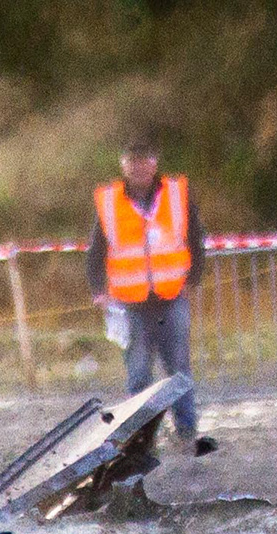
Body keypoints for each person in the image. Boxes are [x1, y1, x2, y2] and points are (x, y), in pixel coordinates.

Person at [87, 143, 214, 453]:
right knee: (139, 375)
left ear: (155, 163)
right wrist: (97, 289)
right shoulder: (109, 202)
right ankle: (142, 441)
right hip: (131, 305)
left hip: (171, 299)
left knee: (179, 372)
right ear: (123, 164)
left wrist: (194, 277)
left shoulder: (177, 194)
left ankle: (186, 435)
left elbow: (196, 237)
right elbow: (96, 250)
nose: (139, 167)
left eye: (145, 160)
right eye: (133, 161)